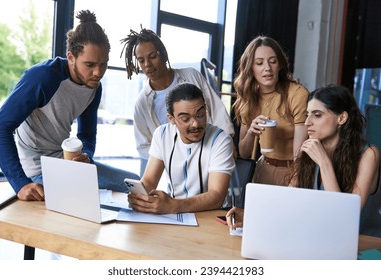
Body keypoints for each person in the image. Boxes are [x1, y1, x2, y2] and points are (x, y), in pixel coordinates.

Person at [0, 10, 140, 201]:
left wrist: (85, 154)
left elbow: (87, 135)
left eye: (104, 64)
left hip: (65, 162)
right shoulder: (42, 77)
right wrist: (20, 183)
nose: (98, 72)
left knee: (134, 184)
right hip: (36, 169)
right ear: (71, 57)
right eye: (90, 64)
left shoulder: (94, 87)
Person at [226, 85, 380, 230]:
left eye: (317, 115)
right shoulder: (309, 149)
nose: (307, 123)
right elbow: (288, 201)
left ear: (341, 118)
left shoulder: (368, 154)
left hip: (362, 245)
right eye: (307, 115)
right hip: (318, 237)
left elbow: (346, 218)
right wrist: (251, 216)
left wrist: (324, 162)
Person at [120, 28, 235, 176]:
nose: (147, 64)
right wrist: (167, 164)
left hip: (209, 155)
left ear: (163, 54)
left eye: (152, 56)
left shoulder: (191, 76)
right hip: (173, 171)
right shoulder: (141, 103)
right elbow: (144, 146)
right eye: (141, 60)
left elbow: (217, 110)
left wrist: (227, 139)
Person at [127, 83, 235, 214]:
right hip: (174, 215)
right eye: (185, 119)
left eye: (200, 115)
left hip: (210, 214)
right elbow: (149, 181)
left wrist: (174, 206)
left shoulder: (221, 140)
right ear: (171, 119)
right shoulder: (162, 134)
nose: (195, 124)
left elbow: (217, 196)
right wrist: (140, 197)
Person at [232, 35, 309, 186]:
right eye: (259, 63)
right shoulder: (249, 97)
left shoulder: (297, 93)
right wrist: (251, 132)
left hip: (293, 170)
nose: (267, 68)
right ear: (251, 68)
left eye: (272, 61)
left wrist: (294, 183)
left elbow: (300, 154)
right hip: (263, 167)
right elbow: (244, 153)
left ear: (279, 65)